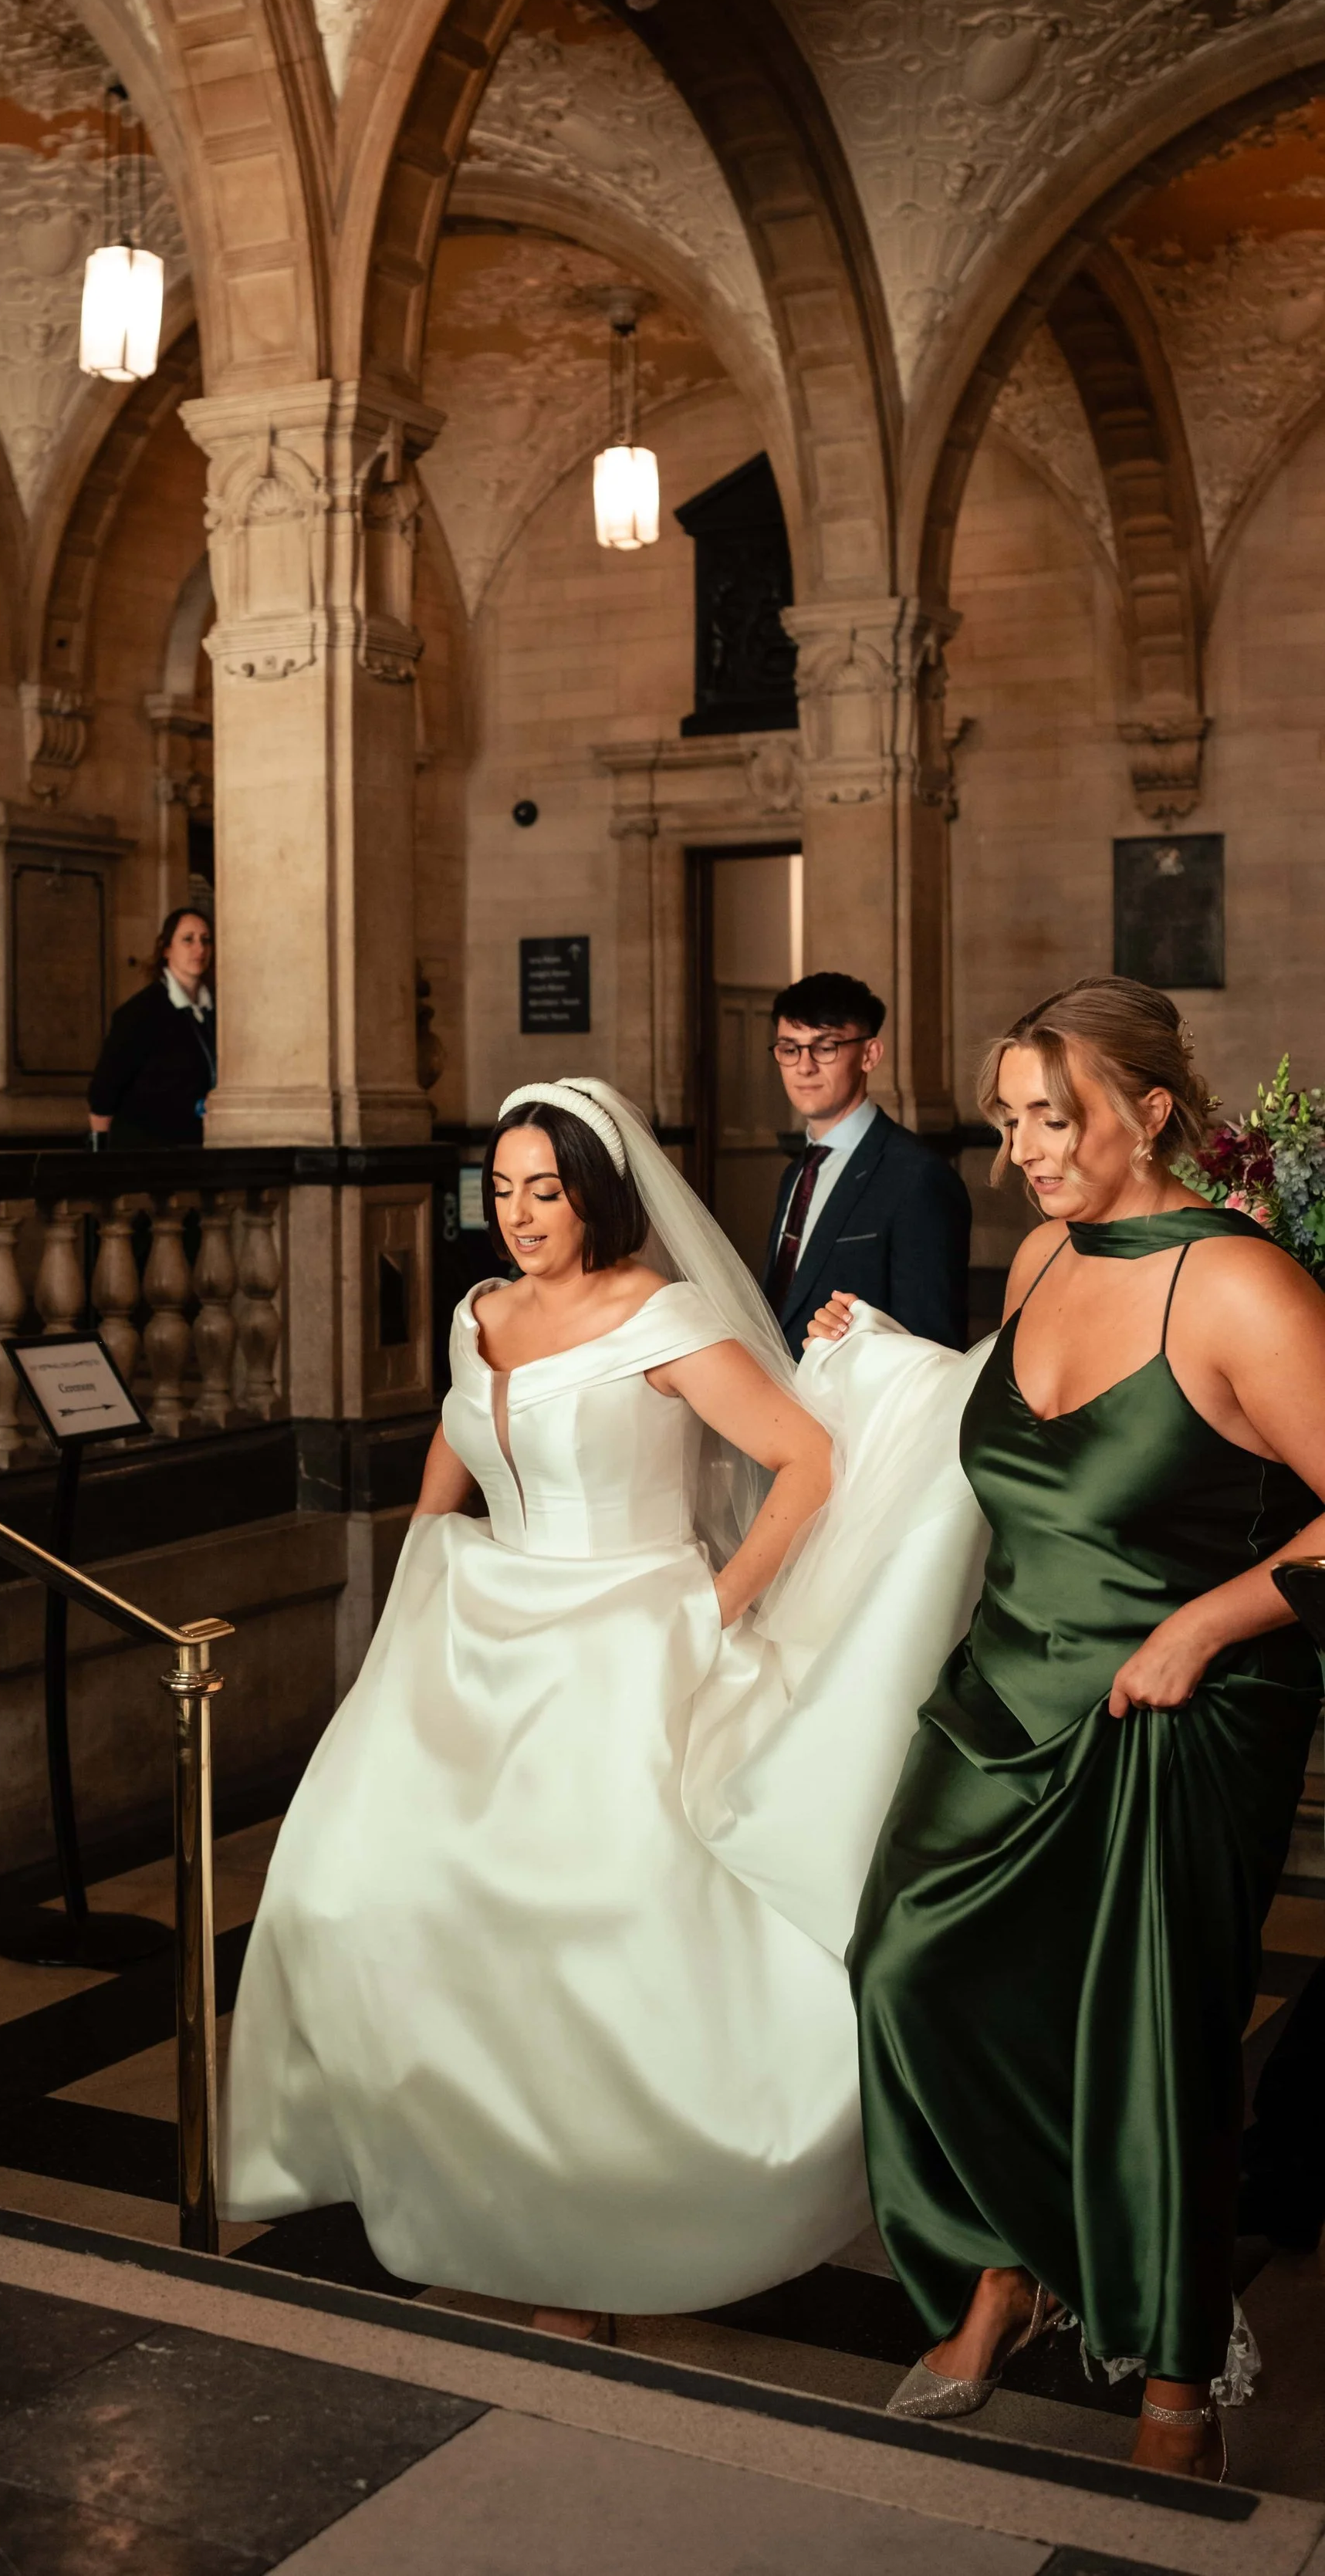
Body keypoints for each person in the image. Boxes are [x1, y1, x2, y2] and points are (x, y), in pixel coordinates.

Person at [222, 1074, 988, 2329]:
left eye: (547, 1190)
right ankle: (480, 2186)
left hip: (619, 1644)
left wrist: (721, 1600)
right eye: (504, 1190)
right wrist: (421, 1557)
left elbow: (805, 1458)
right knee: (367, 1895)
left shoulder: (661, 1316)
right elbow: (458, 1435)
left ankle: (590, 2250)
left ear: (597, 1195)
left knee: (584, 1945)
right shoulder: (481, 1312)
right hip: (473, 1638)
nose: (521, 1214)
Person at [829, 978, 1325, 2482]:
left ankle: (1175, 2373)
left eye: (1056, 1117)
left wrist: (1200, 1625)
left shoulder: (1240, 1286)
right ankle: (999, 2262)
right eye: (1006, 1120)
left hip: (1182, 1707)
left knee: (1146, 2033)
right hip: (1003, 1688)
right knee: (903, 1965)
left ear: (1149, 1110)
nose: (1025, 1151)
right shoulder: (1038, 1256)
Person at [765, 971, 970, 1352]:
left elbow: (932, 1345)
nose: (804, 1067)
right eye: (790, 1048)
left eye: (825, 1047)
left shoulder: (919, 1177)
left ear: (870, 1054)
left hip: (858, 1407)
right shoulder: (795, 1174)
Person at [86, 906, 215, 1148]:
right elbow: (104, 1092)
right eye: (188, 940)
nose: (200, 949)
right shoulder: (140, 1012)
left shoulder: (216, 1012)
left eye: (205, 940)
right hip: (147, 1155)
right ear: (166, 949)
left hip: (199, 1149)